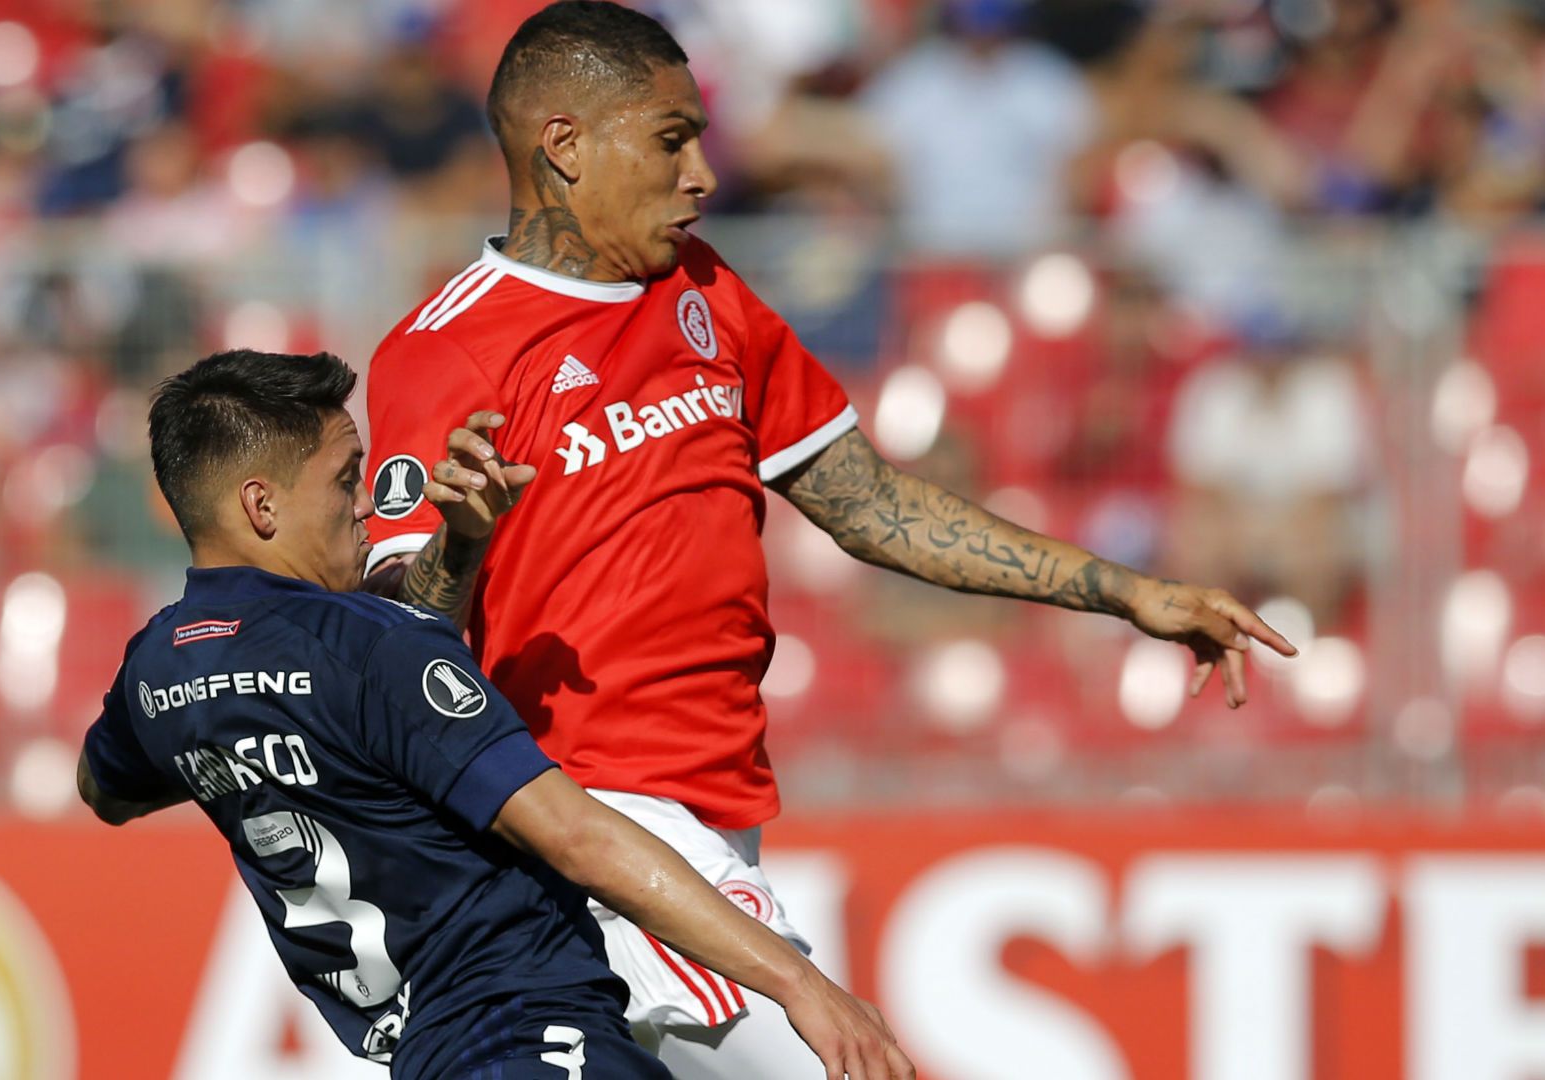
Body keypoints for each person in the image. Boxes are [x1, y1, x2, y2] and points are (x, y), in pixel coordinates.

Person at [359, 4, 1296, 1076]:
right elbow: (392, 636)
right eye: (671, 140)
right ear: (563, 146)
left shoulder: (707, 294)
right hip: (593, 818)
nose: (703, 173)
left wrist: (1123, 591)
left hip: (713, 814)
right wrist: (463, 544)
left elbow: (865, 503)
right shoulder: (447, 351)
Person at [76, 349, 912, 1080]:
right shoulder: (367, 645)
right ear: (262, 507)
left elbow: (104, 788)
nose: (365, 507)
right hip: (533, 1035)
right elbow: (578, 837)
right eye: (343, 481)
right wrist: (802, 984)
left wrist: (232, 757)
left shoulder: (159, 666)